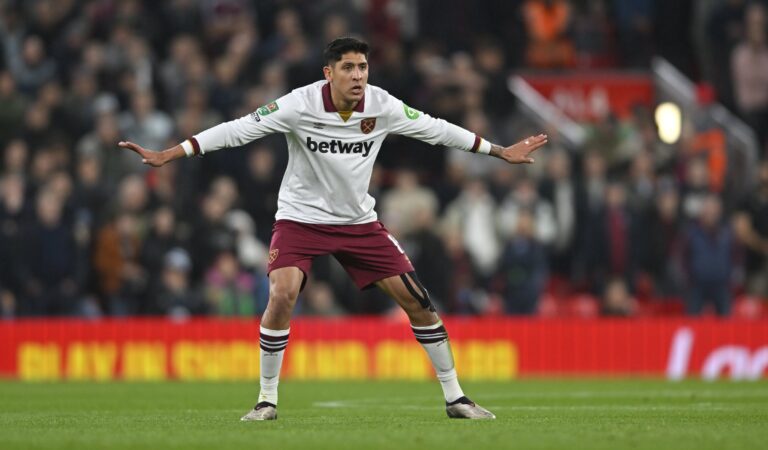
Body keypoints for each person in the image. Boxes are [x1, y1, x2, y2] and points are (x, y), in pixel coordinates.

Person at [118, 37, 547, 421]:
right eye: (348, 67)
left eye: (363, 67)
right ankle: (266, 400)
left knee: (419, 303)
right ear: (329, 72)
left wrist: (498, 151)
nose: (358, 75)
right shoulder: (298, 104)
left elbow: (437, 130)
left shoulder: (383, 105)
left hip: (358, 222)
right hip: (300, 218)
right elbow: (238, 130)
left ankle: (456, 398)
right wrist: (171, 153)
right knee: (282, 294)